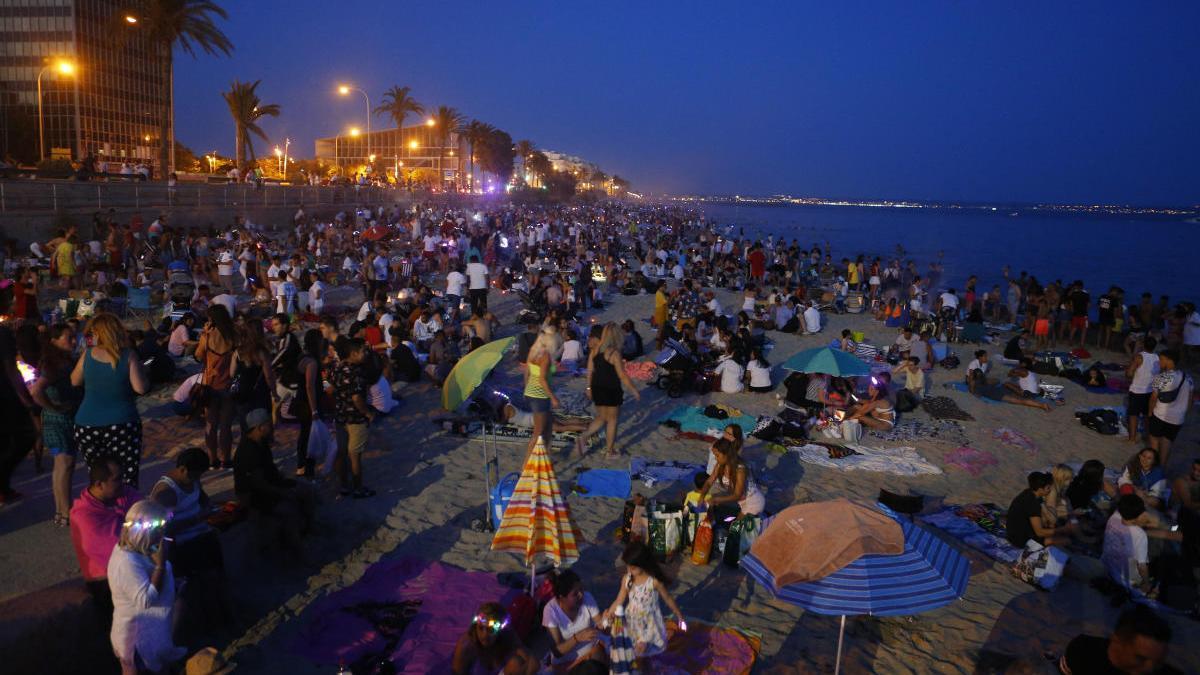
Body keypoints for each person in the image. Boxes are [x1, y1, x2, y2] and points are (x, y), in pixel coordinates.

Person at [150, 447, 231, 632]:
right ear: (183, 469)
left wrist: (210, 508)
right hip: (181, 542)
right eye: (195, 475)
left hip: (200, 533)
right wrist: (198, 518)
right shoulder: (166, 492)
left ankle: (221, 614)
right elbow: (164, 528)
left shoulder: (192, 480)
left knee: (218, 570)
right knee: (207, 576)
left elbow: (202, 497)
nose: (197, 479)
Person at [108, 500, 187, 674]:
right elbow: (145, 600)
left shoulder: (141, 550)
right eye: (157, 528)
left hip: (151, 632)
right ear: (142, 530)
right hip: (136, 640)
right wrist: (160, 566)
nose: (162, 532)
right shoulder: (126, 562)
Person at [72, 313, 148, 487]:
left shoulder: (88, 354)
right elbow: (140, 388)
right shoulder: (128, 355)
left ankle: (101, 511)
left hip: (87, 424)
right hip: (121, 422)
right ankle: (123, 511)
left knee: (98, 476)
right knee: (126, 474)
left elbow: (74, 381)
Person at [233, 408, 317, 556]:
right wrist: (283, 492)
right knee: (289, 509)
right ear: (260, 427)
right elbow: (259, 484)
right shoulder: (249, 450)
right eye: (269, 424)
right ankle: (297, 551)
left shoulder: (260, 442)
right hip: (256, 496)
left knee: (307, 490)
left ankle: (307, 531)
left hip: (270, 485)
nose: (272, 427)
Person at [69, 459, 141, 622]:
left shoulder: (121, 494)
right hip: (106, 579)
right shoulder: (84, 516)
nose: (123, 482)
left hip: (129, 567)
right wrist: (135, 526)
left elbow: (146, 513)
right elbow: (121, 549)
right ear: (99, 484)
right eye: (117, 479)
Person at [30, 323, 82, 525]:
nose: (73, 340)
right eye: (68, 337)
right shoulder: (56, 363)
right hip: (59, 419)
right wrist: (53, 407)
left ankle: (61, 511)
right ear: (54, 340)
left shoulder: (59, 360)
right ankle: (65, 512)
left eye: (73, 336)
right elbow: (36, 391)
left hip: (59, 418)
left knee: (61, 466)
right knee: (65, 464)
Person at [603, 541, 686, 660]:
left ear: (643, 564)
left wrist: (679, 615)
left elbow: (667, 598)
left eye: (633, 568)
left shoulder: (654, 582)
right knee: (632, 650)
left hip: (649, 623)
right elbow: (619, 599)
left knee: (643, 651)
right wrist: (610, 613)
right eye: (627, 567)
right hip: (632, 620)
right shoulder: (627, 579)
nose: (629, 570)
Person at [576, 323, 642, 459]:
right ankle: (609, 452)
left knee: (601, 417)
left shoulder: (595, 350)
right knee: (612, 420)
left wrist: (589, 388)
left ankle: (584, 437)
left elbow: (590, 370)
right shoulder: (614, 353)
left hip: (597, 388)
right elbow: (622, 375)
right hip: (611, 389)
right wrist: (634, 389)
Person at [194, 304, 237, 468]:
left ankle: (212, 460)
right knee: (226, 426)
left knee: (210, 424)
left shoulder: (207, 336)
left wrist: (205, 333)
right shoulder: (233, 335)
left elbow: (198, 356)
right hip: (228, 384)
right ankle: (226, 459)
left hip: (210, 384)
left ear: (211, 320)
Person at [332, 337, 376, 498]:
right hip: (355, 418)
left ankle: (343, 485)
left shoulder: (337, 368)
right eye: (363, 351)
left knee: (342, 453)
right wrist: (367, 413)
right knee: (355, 455)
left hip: (340, 416)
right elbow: (357, 398)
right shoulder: (356, 372)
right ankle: (358, 488)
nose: (366, 353)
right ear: (354, 353)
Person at [542, 569, 608, 672]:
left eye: (581, 589)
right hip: (566, 663)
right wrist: (577, 638)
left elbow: (602, 627)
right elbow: (557, 652)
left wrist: (607, 621)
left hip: (591, 651)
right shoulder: (550, 611)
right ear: (561, 597)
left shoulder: (587, 597)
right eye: (575, 594)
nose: (581, 595)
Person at [452, 602, 537, 675]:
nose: (484, 635)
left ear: (501, 630)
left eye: (491, 630)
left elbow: (533, 663)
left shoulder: (508, 637)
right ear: (475, 626)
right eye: (481, 628)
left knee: (517, 663)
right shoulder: (466, 645)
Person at [697, 436, 765, 517]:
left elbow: (737, 495)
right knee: (712, 502)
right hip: (741, 500)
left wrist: (716, 500)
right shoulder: (720, 465)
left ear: (727, 455)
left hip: (753, 501)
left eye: (717, 455)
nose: (715, 458)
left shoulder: (740, 470)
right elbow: (709, 481)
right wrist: (702, 496)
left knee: (736, 528)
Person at [1148, 348, 1191, 468]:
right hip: (1177, 419)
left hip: (1160, 415)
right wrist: (1182, 413)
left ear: (1169, 360)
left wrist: (1150, 412)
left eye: (1161, 359)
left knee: (1154, 441)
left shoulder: (1162, 377)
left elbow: (1153, 398)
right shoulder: (1188, 378)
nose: (1159, 362)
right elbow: (1190, 401)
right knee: (1167, 442)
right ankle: (1161, 468)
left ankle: (1153, 467)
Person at [1102, 494, 1153, 595]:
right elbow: (1141, 566)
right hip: (1126, 579)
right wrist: (1146, 583)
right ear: (1139, 515)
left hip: (1107, 565)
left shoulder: (1114, 517)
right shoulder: (1140, 535)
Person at [1006, 472, 1073, 548]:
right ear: (1040, 489)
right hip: (1020, 539)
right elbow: (1039, 532)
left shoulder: (1029, 492)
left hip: (1015, 531)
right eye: (1048, 488)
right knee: (1066, 540)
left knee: (1054, 528)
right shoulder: (1032, 503)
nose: (1050, 490)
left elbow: (1046, 515)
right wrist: (1063, 529)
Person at [523, 326, 562, 453]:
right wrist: (554, 398)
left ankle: (545, 455)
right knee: (538, 432)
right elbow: (542, 380)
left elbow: (527, 372)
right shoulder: (545, 356)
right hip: (540, 395)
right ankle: (526, 465)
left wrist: (526, 389)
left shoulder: (533, 351)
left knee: (548, 426)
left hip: (531, 393)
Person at [292, 329, 324, 477]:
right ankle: (306, 468)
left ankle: (301, 465)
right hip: (307, 403)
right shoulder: (311, 361)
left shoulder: (302, 357)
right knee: (310, 438)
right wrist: (314, 410)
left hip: (301, 401)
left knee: (305, 435)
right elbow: (309, 386)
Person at [1126, 335, 1160, 443]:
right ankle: (1146, 435)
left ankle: (1132, 438)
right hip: (1150, 391)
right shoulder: (1158, 358)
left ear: (1143, 345)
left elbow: (1129, 373)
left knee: (1133, 414)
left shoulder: (1139, 357)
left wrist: (1128, 372)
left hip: (1137, 390)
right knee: (1147, 415)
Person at [1118, 448, 1168, 512]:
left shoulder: (1158, 473)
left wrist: (1145, 495)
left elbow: (1158, 492)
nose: (1145, 460)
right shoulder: (1132, 465)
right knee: (1125, 487)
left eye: (1149, 458)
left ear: (1154, 461)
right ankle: (1130, 508)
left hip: (1149, 496)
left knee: (1154, 501)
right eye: (1143, 456)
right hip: (1133, 492)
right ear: (1139, 456)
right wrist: (1135, 488)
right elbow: (1123, 480)